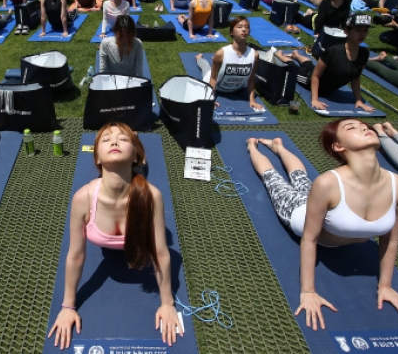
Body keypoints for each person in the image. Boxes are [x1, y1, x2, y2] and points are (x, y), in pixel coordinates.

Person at [246, 119, 398, 331]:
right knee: (273, 179)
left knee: (300, 178)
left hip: (326, 204)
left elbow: (391, 238)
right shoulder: (328, 183)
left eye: (364, 126)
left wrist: (386, 286)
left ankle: (279, 147)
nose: (364, 128)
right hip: (299, 212)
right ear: (338, 146)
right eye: (351, 128)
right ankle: (252, 146)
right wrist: (308, 291)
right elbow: (310, 238)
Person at [48, 122, 182, 349]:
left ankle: (137, 146)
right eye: (106, 139)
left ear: (134, 154)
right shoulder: (83, 199)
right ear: (97, 159)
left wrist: (167, 303)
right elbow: (75, 256)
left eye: (123, 138)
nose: (114, 141)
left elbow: (161, 252)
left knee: (141, 173)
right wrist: (68, 306)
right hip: (127, 172)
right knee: (138, 172)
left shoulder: (152, 196)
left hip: (137, 176)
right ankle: (134, 138)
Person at [276, 14, 374, 112]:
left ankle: (296, 55)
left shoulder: (364, 53)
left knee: (309, 65)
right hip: (308, 80)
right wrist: (315, 99)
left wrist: (358, 100)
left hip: (324, 83)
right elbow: (315, 76)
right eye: (358, 30)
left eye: (365, 30)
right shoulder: (334, 52)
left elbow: (356, 77)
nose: (362, 34)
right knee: (294, 68)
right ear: (346, 31)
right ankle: (280, 55)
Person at [194, 17, 261, 109]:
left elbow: (251, 79)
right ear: (231, 32)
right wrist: (211, 99)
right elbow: (213, 78)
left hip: (237, 88)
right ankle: (199, 58)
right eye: (240, 27)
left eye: (247, 27)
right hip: (217, 86)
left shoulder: (254, 55)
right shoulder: (221, 53)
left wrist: (252, 101)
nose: (244, 29)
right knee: (206, 68)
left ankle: (217, 63)